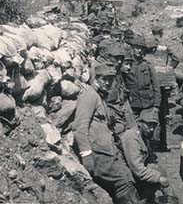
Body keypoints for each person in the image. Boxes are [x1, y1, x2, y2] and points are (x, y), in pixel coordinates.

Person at [72, 63, 140, 204]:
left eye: (111, 79)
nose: (108, 83)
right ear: (96, 78)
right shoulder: (90, 96)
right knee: (124, 182)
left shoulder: (99, 96)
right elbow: (79, 127)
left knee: (127, 177)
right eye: (104, 79)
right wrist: (86, 155)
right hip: (98, 154)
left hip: (107, 152)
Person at [120, 115, 170, 204]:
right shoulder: (131, 137)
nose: (151, 129)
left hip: (135, 172)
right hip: (124, 176)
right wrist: (158, 178)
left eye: (154, 125)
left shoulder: (143, 135)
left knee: (159, 173)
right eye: (148, 125)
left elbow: (150, 157)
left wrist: (159, 173)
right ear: (140, 122)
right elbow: (137, 169)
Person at [125, 35, 161, 136]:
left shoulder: (147, 65)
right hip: (133, 105)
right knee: (134, 131)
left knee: (148, 131)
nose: (139, 51)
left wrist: (157, 105)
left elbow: (156, 85)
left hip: (147, 104)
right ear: (132, 48)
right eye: (137, 48)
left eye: (141, 48)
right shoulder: (127, 65)